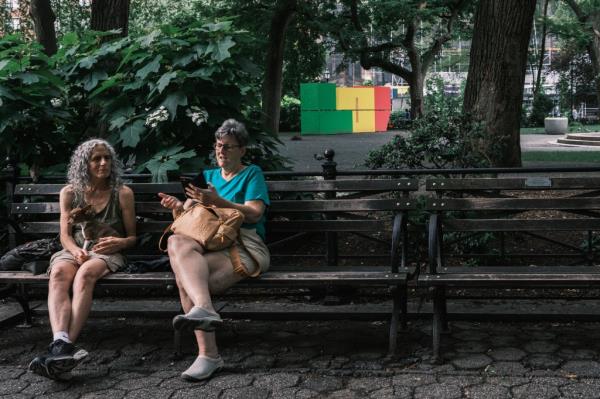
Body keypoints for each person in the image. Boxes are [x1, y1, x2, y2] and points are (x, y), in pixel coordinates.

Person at [158, 119, 270, 381]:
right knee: (175, 242)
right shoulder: (206, 177)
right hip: (208, 243)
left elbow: (254, 214)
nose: (222, 151)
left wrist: (218, 200)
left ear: (242, 150)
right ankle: (206, 315)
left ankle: (208, 355)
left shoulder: (252, 173)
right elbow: (190, 220)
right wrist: (177, 206)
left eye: (229, 147)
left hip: (245, 245)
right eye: (219, 146)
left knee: (186, 281)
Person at [29, 139, 136, 380]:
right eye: (96, 159)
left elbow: (132, 238)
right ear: (83, 164)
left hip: (108, 251)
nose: (103, 163)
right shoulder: (70, 193)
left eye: (107, 158)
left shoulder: (123, 193)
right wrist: (75, 250)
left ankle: (64, 348)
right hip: (75, 249)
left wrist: (121, 242)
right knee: (58, 274)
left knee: (85, 274)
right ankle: (61, 343)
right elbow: (65, 236)